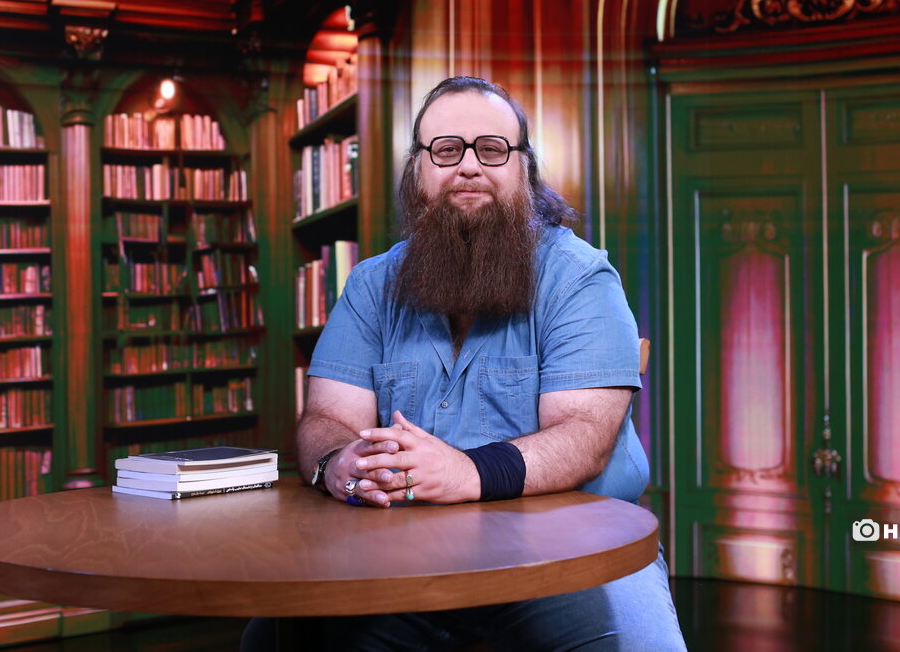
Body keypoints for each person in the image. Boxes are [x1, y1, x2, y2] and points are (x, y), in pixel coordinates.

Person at [241, 76, 687, 651]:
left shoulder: (580, 278)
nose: (469, 167)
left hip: (568, 546)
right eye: (447, 150)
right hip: (399, 548)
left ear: (524, 169)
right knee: (274, 637)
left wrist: (466, 473)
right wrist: (336, 463)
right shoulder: (371, 285)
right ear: (417, 171)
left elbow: (585, 436)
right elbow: (327, 416)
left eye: (492, 149)